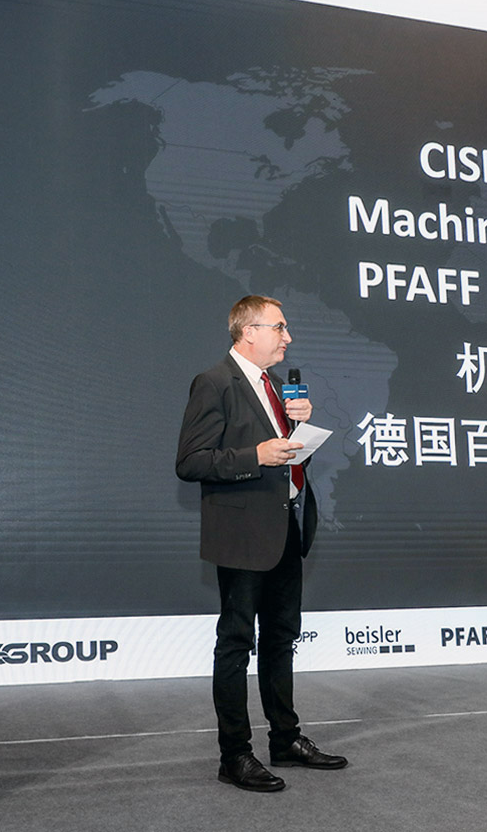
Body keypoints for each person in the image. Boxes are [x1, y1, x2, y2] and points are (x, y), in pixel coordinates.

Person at [176, 295, 347, 792]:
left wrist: (299, 430)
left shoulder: (274, 386)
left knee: (280, 637)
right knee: (236, 642)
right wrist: (256, 454)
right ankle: (234, 754)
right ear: (248, 331)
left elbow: (287, 458)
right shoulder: (214, 382)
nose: (287, 337)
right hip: (242, 534)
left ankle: (285, 739)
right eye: (279, 327)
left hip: (284, 528)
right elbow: (191, 462)